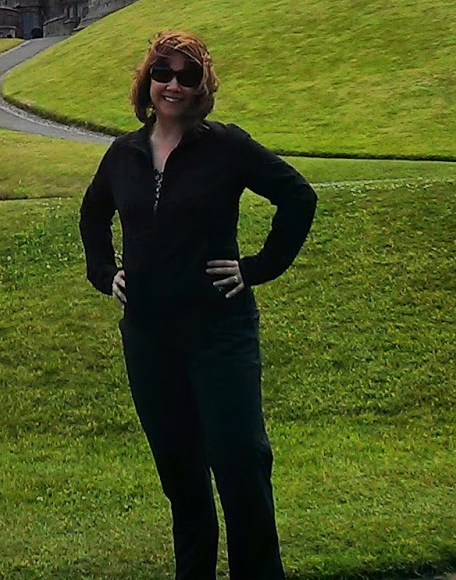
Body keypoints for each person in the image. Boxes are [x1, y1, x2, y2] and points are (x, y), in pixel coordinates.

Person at [80, 29, 317, 580]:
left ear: (202, 86)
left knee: (240, 465)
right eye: (163, 73)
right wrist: (104, 273)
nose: (174, 85)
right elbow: (93, 216)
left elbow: (298, 197)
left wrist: (256, 268)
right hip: (149, 339)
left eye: (188, 76)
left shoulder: (226, 146)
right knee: (182, 478)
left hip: (219, 334)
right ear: (148, 82)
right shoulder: (124, 154)